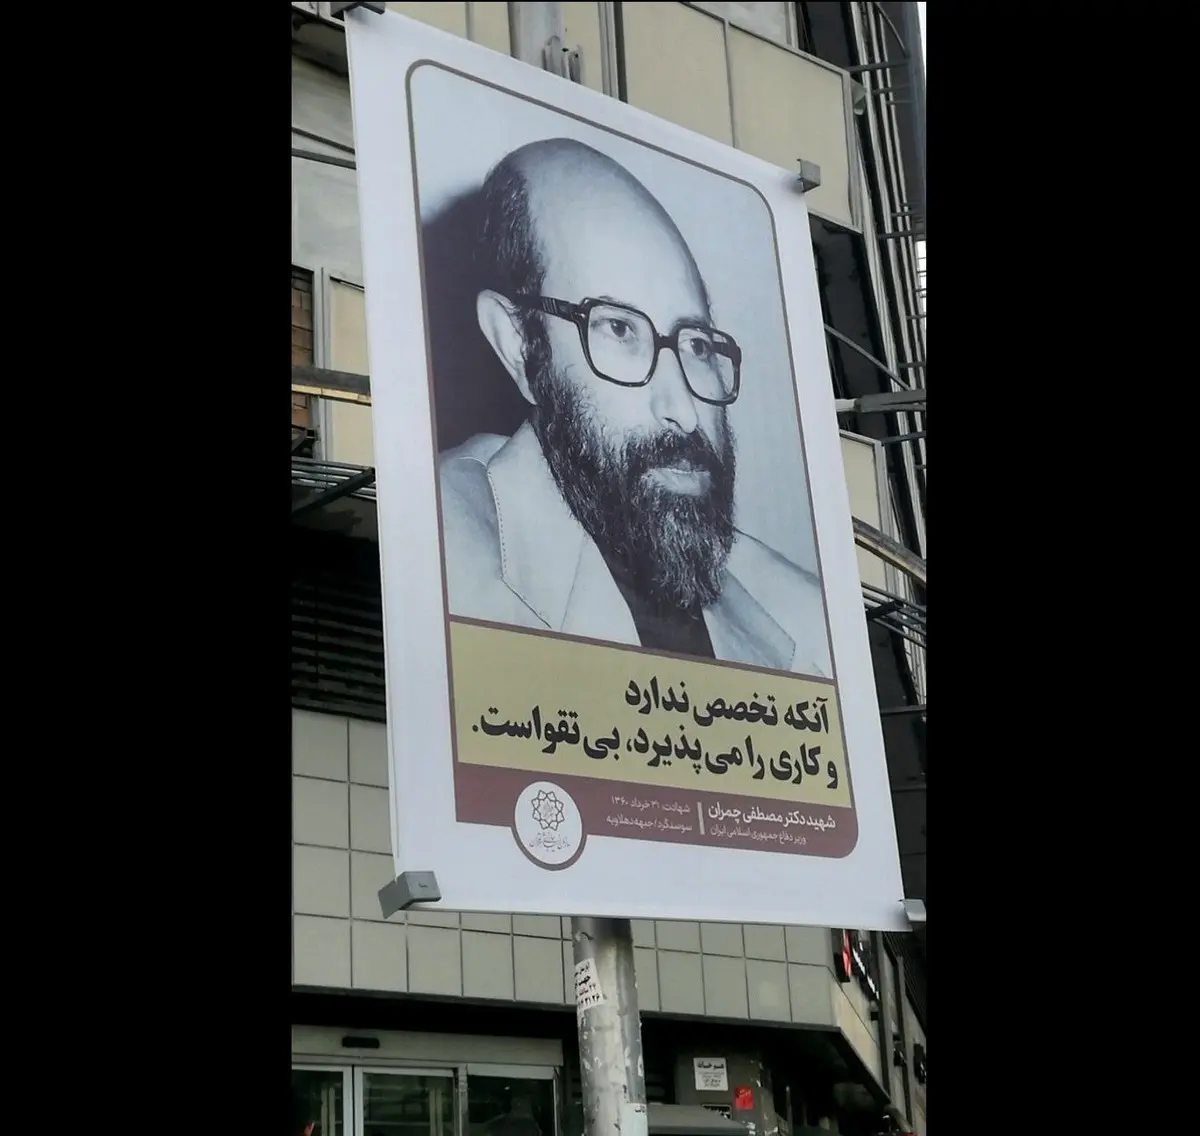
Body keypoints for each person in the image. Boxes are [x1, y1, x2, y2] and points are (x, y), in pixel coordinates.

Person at [436, 137, 830, 676]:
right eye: (619, 329)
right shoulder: (438, 546)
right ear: (519, 345)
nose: (685, 412)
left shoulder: (808, 619)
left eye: (695, 344)